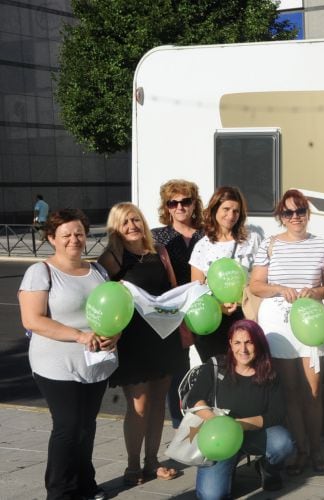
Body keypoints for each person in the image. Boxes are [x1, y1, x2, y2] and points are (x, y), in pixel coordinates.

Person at [18, 208, 116, 500]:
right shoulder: (41, 272)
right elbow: (33, 320)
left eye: (79, 233)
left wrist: (115, 335)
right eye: (66, 235)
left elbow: (112, 311)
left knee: (87, 425)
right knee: (67, 426)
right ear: (52, 238)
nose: (74, 239)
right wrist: (79, 335)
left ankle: (85, 482)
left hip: (95, 363)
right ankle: (60, 491)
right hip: (56, 364)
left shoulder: (98, 270)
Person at [98, 202, 186, 486]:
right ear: (116, 228)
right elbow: (101, 298)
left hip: (163, 336)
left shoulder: (158, 252)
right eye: (125, 223)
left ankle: (153, 461)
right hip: (133, 341)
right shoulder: (111, 258)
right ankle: (132, 466)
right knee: (139, 405)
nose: (132, 226)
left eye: (135, 220)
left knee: (159, 402)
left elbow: (173, 290)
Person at [248, 189, 324, 475]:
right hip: (278, 324)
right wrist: (279, 289)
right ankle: (301, 450)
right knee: (292, 392)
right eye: (288, 212)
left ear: (308, 214)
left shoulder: (322, 246)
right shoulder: (270, 245)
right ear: (280, 217)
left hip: (310, 322)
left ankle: (317, 449)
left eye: (300, 211)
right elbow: (256, 285)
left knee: (313, 391)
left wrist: (316, 291)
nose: (295, 217)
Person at [185, 320, 294, 500]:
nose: (243, 349)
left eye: (249, 342)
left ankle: (267, 468)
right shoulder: (215, 365)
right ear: (230, 344)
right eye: (237, 342)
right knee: (211, 496)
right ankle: (228, 468)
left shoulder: (269, 372)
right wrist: (217, 423)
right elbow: (194, 398)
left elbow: (276, 414)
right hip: (220, 439)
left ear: (258, 344)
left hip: (253, 433)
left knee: (283, 443)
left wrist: (237, 426)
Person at [152, 179, 205, 428]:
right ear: (167, 207)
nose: (180, 207)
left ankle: (211, 415)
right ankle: (179, 423)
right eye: (173, 202)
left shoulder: (207, 235)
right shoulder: (157, 237)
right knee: (178, 369)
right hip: (173, 310)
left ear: (194, 204)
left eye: (185, 201)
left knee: (211, 363)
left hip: (205, 309)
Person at [189, 186, 262, 362]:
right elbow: (197, 290)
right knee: (219, 373)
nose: (231, 216)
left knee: (247, 370)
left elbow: (262, 276)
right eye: (226, 209)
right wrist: (219, 307)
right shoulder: (202, 246)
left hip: (246, 315)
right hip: (215, 319)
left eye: (236, 211)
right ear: (215, 209)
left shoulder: (252, 240)